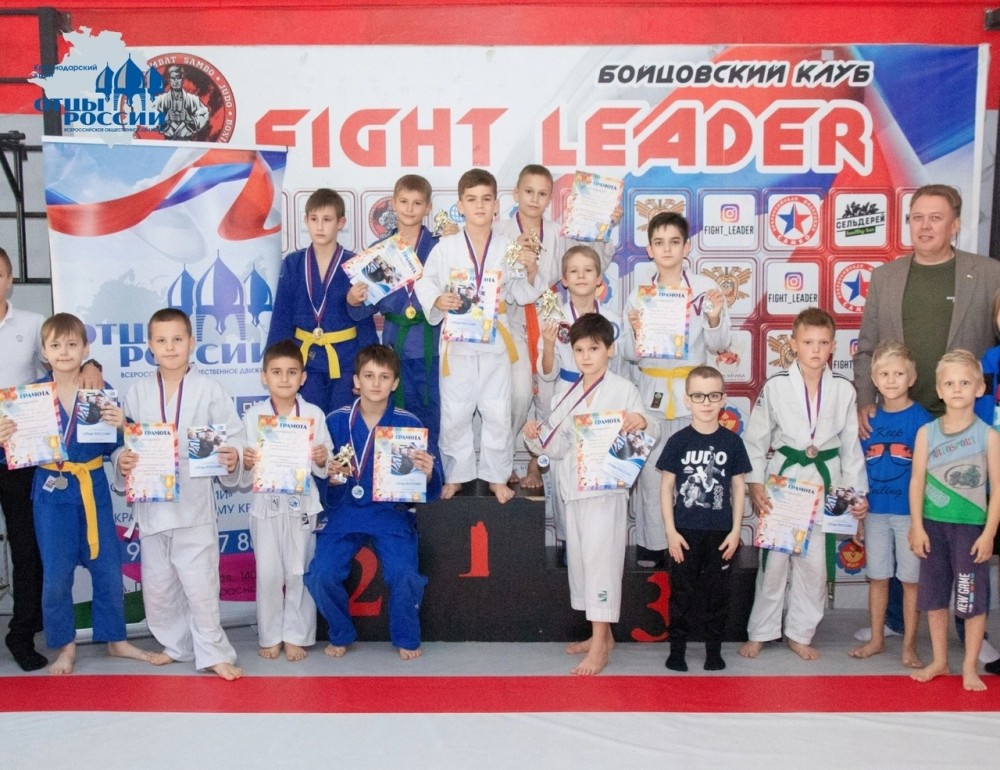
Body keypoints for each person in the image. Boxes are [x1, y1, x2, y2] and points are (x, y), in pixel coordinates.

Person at [853, 183, 1000, 656]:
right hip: (903, 421)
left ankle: (971, 632)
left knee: (965, 529)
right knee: (904, 519)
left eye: (935, 217)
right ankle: (898, 624)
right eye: (917, 217)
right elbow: (867, 347)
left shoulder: (988, 273)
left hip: (966, 425)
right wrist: (864, 398)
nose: (925, 225)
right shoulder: (886, 277)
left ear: (956, 224)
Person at [0, 313, 153, 674]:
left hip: (92, 485)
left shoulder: (97, 390)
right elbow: (14, 453)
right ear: (44, 352)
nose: (64, 351)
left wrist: (124, 426)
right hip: (51, 492)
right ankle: (65, 646)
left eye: (72, 344)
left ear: (85, 349)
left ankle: (116, 639)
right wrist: (5, 438)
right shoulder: (30, 397)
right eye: (56, 345)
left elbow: (120, 442)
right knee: (56, 575)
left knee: (108, 568)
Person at [113, 308, 245, 680]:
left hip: (193, 503)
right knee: (158, 586)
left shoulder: (209, 389)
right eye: (161, 340)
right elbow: (124, 444)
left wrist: (233, 455)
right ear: (150, 346)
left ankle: (214, 652)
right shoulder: (137, 392)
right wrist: (123, 460)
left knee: (200, 584)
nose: (170, 347)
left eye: (177, 339)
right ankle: (176, 645)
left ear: (192, 342)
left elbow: (235, 436)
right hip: (152, 504)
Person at [523, 314, 656, 676]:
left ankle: (599, 647)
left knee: (601, 563)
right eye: (579, 350)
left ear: (609, 350)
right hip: (575, 490)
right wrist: (534, 434)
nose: (585, 356)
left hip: (606, 492)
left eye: (593, 349)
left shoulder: (624, 390)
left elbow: (648, 429)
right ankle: (603, 636)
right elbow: (555, 446)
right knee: (582, 564)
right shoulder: (566, 394)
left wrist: (641, 422)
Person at [738, 307, 868, 661]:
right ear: (793, 344)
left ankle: (800, 632)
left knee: (814, 566)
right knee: (774, 563)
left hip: (827, 479)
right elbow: (755, 439)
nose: (816, 349)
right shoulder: (777, 385)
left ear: (834, 347)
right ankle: (761, 631)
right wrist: (755, 483)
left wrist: (855, 496)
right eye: (808, 342)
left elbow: (851, 447)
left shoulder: (843, 389)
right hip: (786, 478)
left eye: (823, 343)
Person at [413, 168, 544, 503]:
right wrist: (438, 300)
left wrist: (529, 271)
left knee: (497, 411)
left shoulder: (508, 248)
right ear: (460, 205)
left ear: (496, 205)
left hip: (495, 341)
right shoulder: (445, 247)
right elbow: (426, 282)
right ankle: (456, 475)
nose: (480, 206)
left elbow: (520, 292)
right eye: (472, 200)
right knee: (455, 411)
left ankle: (496, 477)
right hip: (457, 342)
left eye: (486, 199)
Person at [305, 345, 442, 660]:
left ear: (395, 383)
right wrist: (328, 473)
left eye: (384, 376)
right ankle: (341, 632)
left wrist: (428, 472)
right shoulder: (335, 421)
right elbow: (318, 476)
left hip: (389, 514)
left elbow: (432, 485)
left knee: (404, 573)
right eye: (368, 376)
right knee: (321, 574)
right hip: (343, 513)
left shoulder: (409, 423)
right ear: (356, 381)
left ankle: (406, 636)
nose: (376, 383)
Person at [0, 248, 102, 670]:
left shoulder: (30, 324)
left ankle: (22, 635)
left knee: (27, 549)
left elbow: (65, 356)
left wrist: (93, 365)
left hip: (22, 454)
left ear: (10, 279)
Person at [495, 165, 618, 489]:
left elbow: (591, 260)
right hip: (514, 319)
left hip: (550, 315)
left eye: (542, 194)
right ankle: (502, 461)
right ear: (516, 193)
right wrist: (513, 255)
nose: (534, 199)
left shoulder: (558, 233)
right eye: (529, 192)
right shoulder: (501, 230)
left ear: (550, 198)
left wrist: (605, 224)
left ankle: (535, 463)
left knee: (551, 395)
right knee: (520, 393)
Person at [620, 211, 730, 567]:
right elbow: (627, 353)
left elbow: (720, 343)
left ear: (687, 246)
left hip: (691, 397)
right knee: (651, 474)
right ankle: (653, 545)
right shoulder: (639, 295)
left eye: (674, 241)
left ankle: (689, 543)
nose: (666, 249)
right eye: (659, 242)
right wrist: (636, 330)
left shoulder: (704, 289)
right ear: (649, 249)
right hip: (650, 392)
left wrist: (713, 317)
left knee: (693, 474)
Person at [908, 349, 1000, 691]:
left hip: (970, 531)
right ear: (939, 390)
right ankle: (940, 660)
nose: (957, 388)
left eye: (964, 382)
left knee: (970, 600)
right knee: (933, 598)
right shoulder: (926, 433)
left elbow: (998, 490)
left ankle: (969, 666)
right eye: (950, 383)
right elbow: (917, 481)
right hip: (932, 527)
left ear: (980, 388)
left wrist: (988, 533)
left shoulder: (988, 436)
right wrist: (917, 525)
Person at [241, 339, 333, 662]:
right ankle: (270, 635)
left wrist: (321, 457)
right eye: (277, 372)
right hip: (266, 506)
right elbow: (244, 463)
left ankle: (297, 635)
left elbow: (326, 462)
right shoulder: (253, 416)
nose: (284, 378)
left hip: (302, 505)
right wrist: (247, 461)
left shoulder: (313, 414)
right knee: (268, 573)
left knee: (299, 572)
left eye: (292, 372)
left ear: (303, 378)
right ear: (264, 376)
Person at [657, 366, 752, 672]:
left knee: (717, 595)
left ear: (723, 399)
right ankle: (677, 651)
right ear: (687, 400)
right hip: (684, 532)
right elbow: (666, 487)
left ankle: (714, 651)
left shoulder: (732, 442)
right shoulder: (677, 441)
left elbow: (738, 486)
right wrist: (671, 532)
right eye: (698, 396)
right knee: (681, 594)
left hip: (720, 533)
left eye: (713, 395)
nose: (706, 402)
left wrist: (736, 531)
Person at [849, 341, 930, 668]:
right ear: (874, 379)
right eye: (884, 374)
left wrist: (921, 522)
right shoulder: (867, 419)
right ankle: (877, 639)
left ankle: (909, 645)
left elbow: (926, 475)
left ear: (912, 378)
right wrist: (859, 517)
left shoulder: (922, 420)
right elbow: (857, 471)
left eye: (899, 374)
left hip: (909, 517)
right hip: (876, 514)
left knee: (911, 581)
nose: (892, 380)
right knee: (878, 577)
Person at [536, 245, 623, 547]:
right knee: (565, 469)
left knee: (602, 469)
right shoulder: (553, 316)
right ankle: (566, 541)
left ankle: (603, 541)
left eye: (588, 270)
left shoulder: (612, 318)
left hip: (602, 398)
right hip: (567, 395)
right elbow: (547, 373)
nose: (581, 276)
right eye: (574, 271)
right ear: (564, 279)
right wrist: (549, 345)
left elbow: (619, 365)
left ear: (599, 278)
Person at [267, 188, 377, 414]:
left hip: (346, 360)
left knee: (342, 420)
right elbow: (281, 317)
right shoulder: (293, 263)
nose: (319, 226)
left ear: (341, 222)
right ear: (305, 220)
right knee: (309, 420)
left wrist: (367, 369)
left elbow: (365, 321)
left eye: (327, 220)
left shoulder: (355, 264)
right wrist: (274, 364)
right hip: (305, 361)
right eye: (314, 219)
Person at [366, 175, 447, 458]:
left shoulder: (441, 246)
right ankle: (397, 479)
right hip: (395, 345)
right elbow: (366, 307)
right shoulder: (380, 249)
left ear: (428, 207)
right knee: (395, 412)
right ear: (393, 203)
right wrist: (356, 298)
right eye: (403, 202)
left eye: (417, 203)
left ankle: (430, 477)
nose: (410, 209)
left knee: (432, 412)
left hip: (430, 342)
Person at [152, 65, 210, 140]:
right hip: (166, 140)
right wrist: (165, 118)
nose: (176, 81)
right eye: (173, 78)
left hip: (187, 140)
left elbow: (205, 114)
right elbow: (149, 116)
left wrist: (190, 119)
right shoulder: (160, 100)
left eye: (178, 78)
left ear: (182, 80)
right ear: (169, 80)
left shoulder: (193, 99)